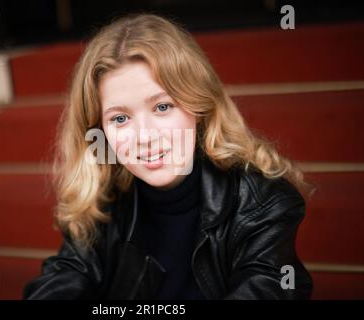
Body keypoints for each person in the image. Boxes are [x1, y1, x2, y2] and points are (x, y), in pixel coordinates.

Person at [23, 13, 314, 300]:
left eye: (162, 107)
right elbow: (66, 275)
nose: (145, 137)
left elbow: (269, 286)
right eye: (120, 118)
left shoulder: (261, 200)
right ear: (99, 131)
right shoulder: (103, 200)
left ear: (198, 106)